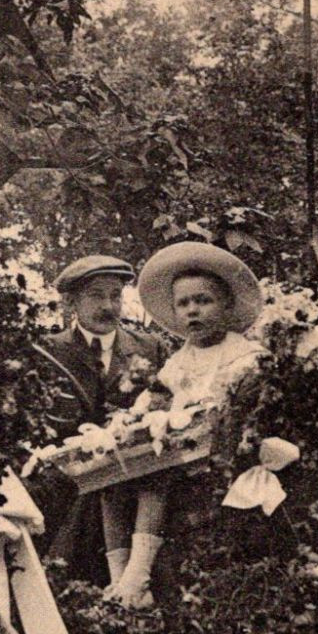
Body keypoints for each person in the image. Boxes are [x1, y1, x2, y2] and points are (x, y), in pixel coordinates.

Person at [99, 241, 267, 608]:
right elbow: (157, 398)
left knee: (153, 478)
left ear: (226, 305)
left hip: (215, 450)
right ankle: (123, 582)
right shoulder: (179, 359)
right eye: (184, 304)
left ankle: (139, 574)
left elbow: (232, 410)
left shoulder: (245, 356)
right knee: (110, 481)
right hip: (178, 445)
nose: (193, 310)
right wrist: (133, 418)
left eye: (203, 301)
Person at [34, 255, 168, 585]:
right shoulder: (46, 352)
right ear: (71, 302)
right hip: (72, 490)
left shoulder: (150, 347)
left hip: (135, 486)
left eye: (115, 295)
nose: (109, 306)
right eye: (96, 295)